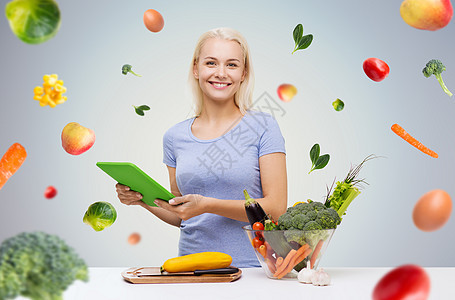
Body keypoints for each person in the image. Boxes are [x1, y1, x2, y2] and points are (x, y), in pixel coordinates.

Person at [116, 27, 287, 267]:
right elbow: (181, 213)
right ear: (196, 69)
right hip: (190, 267)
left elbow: (276, 210)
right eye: (211, 63)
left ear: (243, 73)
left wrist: (207, 205)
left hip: (253, 268)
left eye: (231, 65)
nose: (221, 73)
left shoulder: (263, 126)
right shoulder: (174, 137)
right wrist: (141, 200)